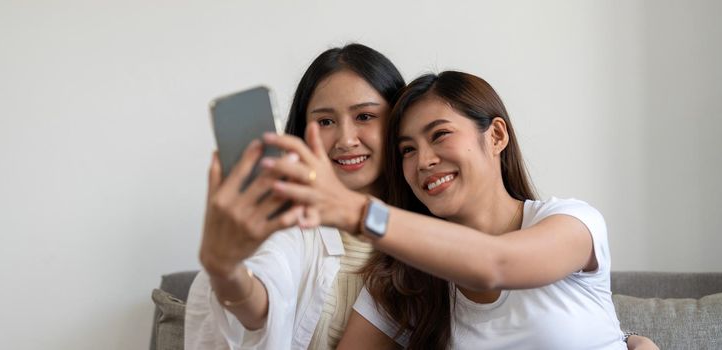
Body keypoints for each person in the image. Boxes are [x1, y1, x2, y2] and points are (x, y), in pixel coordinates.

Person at [261, 71, 658, 349]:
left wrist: (357, 211)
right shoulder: (407, 277)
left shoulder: (572, 222)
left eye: (440, 135)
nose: (424, 161)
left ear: (497, 135)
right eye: (408, 150)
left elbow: (496, 263)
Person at [185, 43, 405, 349]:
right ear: (302, 133)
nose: (346, 139)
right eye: (325, 121)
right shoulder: (291, 223)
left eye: (365, 116)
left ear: (399, 122)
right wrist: (226, 272)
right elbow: (264, 290)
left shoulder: (427, 233)